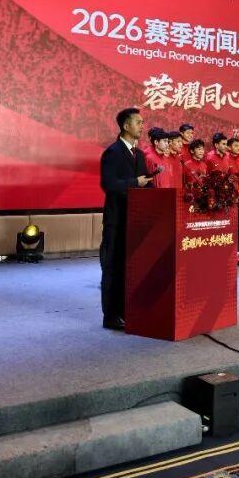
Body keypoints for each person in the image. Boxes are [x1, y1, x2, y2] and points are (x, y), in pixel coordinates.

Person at [99, 108, 152, 331]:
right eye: (138, 122)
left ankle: (126, 311)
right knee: (113, 268)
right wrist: (134, 183)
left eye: (142, 122)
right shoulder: (112, 153)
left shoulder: (139, 154)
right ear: (125, 126)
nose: (142, 126)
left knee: (130, 268)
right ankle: (111, 316)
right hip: (117, 221)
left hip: (135, 221)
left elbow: (145, 183)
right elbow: (109, 184)